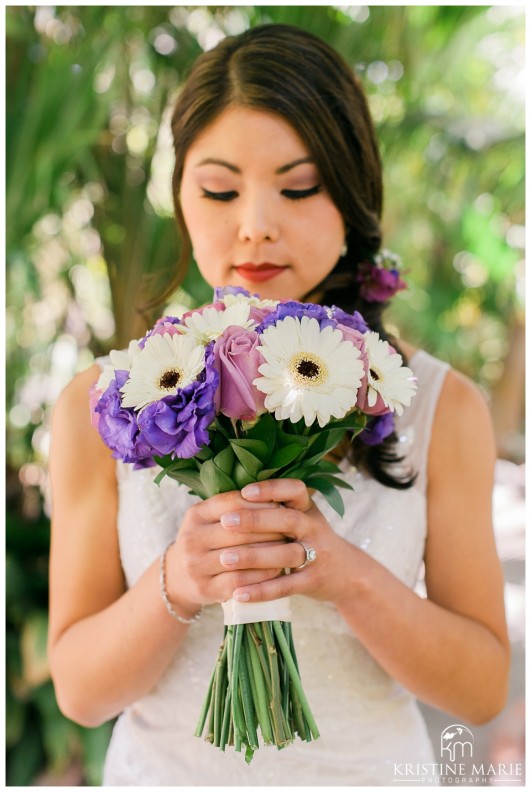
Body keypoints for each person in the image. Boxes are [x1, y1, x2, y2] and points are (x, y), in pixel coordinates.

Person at [48, 23, 509, 785]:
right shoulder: (100, 404)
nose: (254, 223)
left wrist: (344, 575)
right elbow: (82, 694)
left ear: (353, 194)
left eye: (297, 187)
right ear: (181, 197)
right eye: (220, 189)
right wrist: (181, 578)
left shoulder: (438, 406)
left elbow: (481, 688)